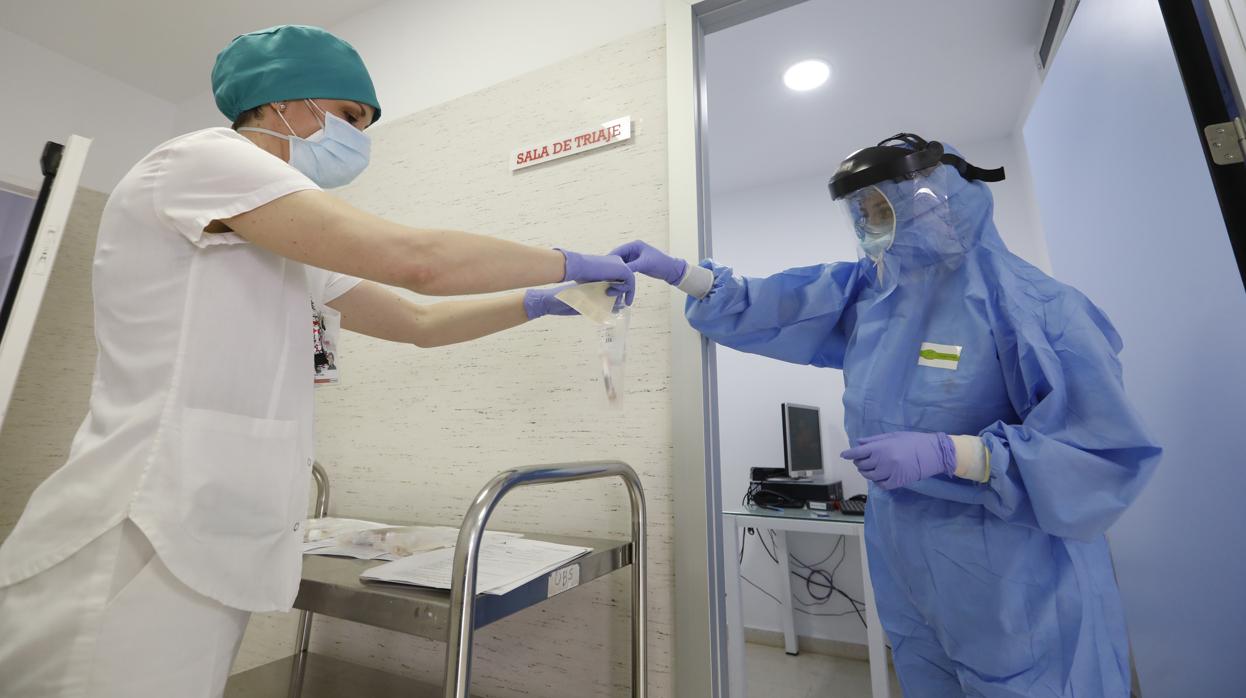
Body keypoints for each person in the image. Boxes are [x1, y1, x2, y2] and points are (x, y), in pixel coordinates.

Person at [0, 25, 630, 697]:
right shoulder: (201, 162)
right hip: (140, 520)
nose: (359, 137)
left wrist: (537, 301)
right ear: (285, 102)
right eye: (351, 116)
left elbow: (415, 321)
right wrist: (573, 259)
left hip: (213, 523)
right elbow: (419, 263)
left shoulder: (281, 230)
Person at [615, 133, 1161, 697]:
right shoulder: (873, 296)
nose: (876, 223)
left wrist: (957, 453)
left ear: (940, 197)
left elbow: (1099, 453)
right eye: (865, 212)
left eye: (886, 207)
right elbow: (773, 305)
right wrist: (683, 273)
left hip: (1015, 575)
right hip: (906, 555)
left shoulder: (1033, 306)